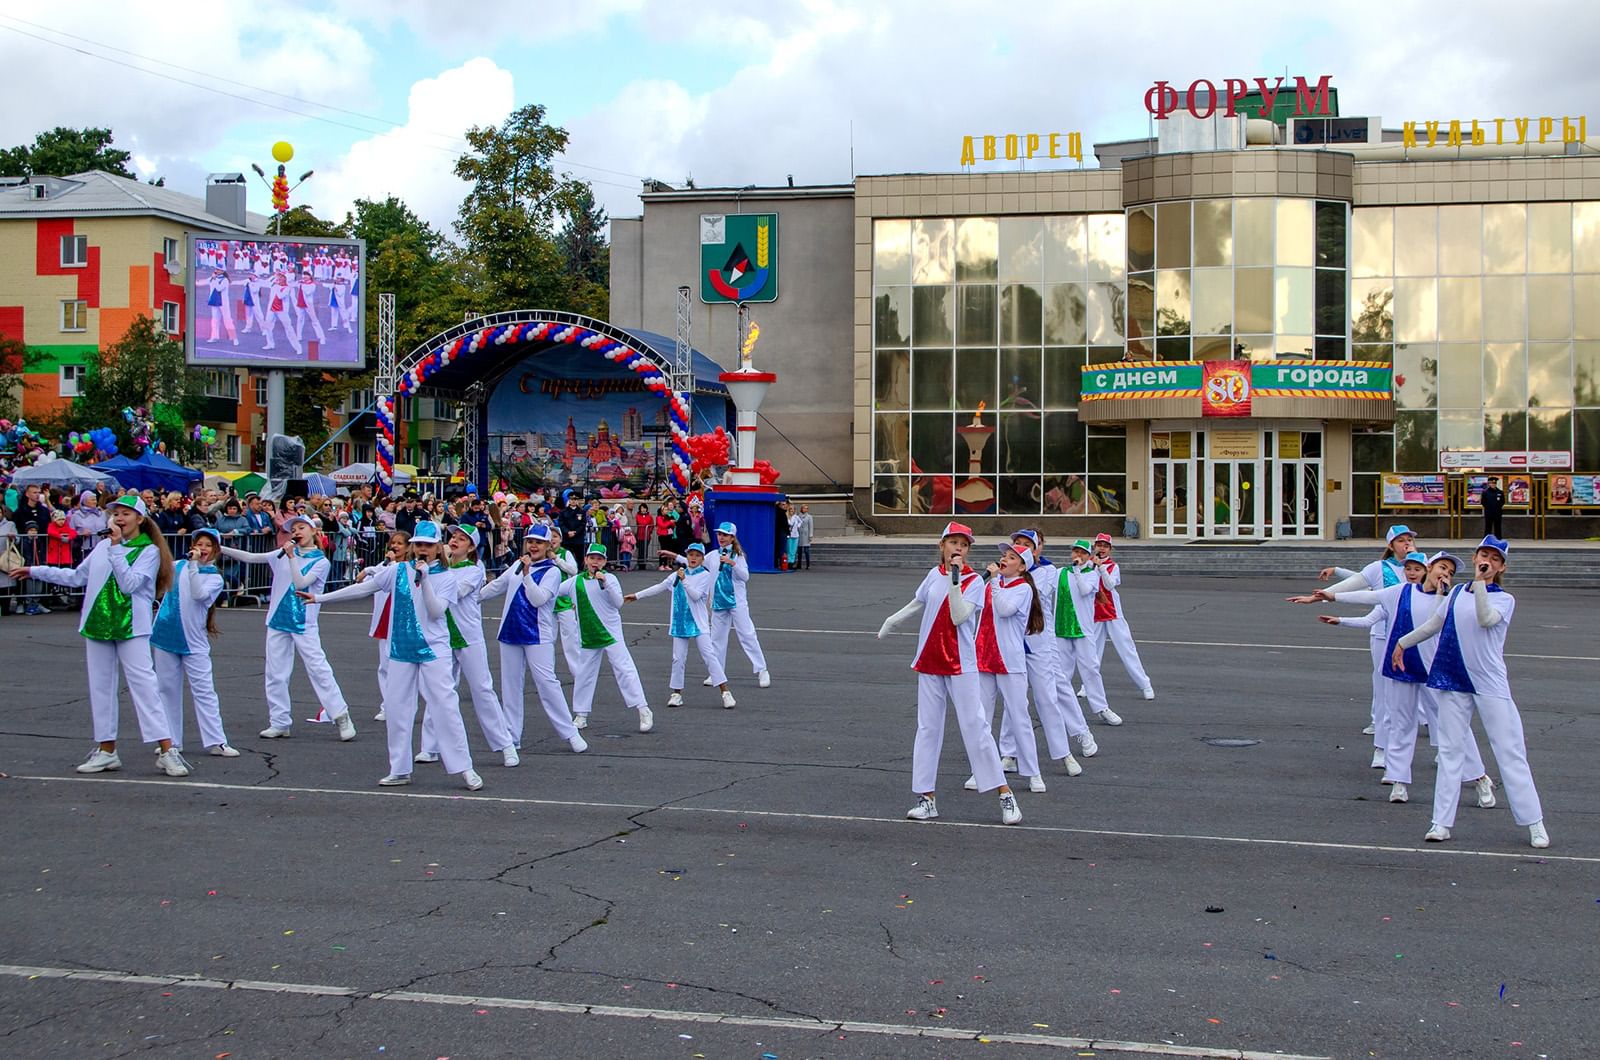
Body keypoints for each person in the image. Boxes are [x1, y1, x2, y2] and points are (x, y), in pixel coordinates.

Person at [10, 496, 190, 776]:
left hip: (131, 627)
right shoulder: (104, 546)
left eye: (126, 514)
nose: (118, 518)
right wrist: (35, 570)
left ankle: (167, 750)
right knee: (101, 688)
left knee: (145, 687)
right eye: (115, 513)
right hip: (97, 624)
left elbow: (129, 585)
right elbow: (76, 577)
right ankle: (107, 750)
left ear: (140, 519)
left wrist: (117, 548)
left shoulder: (149, 551)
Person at [1308, 551, 1497, 810]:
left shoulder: (1452, 597)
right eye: (1442, 567)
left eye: (1450, 572)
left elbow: (1437, 621)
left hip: (1435, 672)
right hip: (1401, 667)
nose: (1445, 574)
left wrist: (1443, 593)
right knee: (1401, 724)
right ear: (1429, 568)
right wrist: (1332, 596)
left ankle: (1479, 778)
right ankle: (1398, 781)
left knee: (1455, 726)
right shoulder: (1400, 592)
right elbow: (1370, 596)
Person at [1393, 536, 1549, 848]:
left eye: (1494, 558)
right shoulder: (1455, 595)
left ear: (1501, 566)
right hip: (1452, 680)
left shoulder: (1504, 599)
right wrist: (1402, 643)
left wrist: (1479, 582)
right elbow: (1433, 625)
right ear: (1476, 555)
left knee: (1510, 751)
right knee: (1451, 752)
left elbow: (1485, 618)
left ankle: (1534, 823)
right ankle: (1440, 823)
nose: (1487, 560)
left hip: (1489, 684)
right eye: (1483, 554)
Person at [305, 522, 484, 792]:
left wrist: (425, 581)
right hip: (401, 648)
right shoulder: (398, 570)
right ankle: (399, 768)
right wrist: (320, 598)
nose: (422, 549)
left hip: (434, 649)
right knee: (397, 708)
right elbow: (364, 588)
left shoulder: (447, 577)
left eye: (428, 544)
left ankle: (464, 766)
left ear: (437, 547)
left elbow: (436, 612)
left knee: (445, 705)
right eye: (418, 544)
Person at [876, 522, 1020, 825]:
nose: (959, 548)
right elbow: (919, 601)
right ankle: (926, 798)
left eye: (964, 544)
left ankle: (1004, 794)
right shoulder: (932, 575)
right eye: (953, 542)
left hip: (961, 664)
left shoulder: (974, 582)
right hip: (929, 661)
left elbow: (958, 615)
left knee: (975, 727)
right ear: (942, 546)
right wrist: (892, 620)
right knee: (927, 729)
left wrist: (956, 579)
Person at [220, 514, 357, 741]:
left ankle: (341, 716)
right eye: (294, 529)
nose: (297, 532)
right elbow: (252, 557)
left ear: (314, 531)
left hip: (304, 623)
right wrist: (221, 548)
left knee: (318, 668)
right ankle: (280, 721)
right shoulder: (281, 554)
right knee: (275, 673)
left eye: (302, 527)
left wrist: (291, 557)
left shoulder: (321, 562)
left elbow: (301, 582)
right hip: (277, 620)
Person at [413, 525, 519, 768]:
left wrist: (437, 570)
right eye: (453, 537)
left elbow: (456, 592)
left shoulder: (474, 569)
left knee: (482, 689)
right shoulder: (436, 568)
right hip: (442, 637)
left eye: (462, 539)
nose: (455, 541)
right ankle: (430, 746)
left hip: (468, 636)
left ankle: (505, 745)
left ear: (471, 547)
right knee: (438, 691)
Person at [1312, 524, 1419, 761]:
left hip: (1416, 637)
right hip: (1383, 634)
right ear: (1391, 545)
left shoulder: (1424, 566)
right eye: (1402, 540)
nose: (1407, 544)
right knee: (1384, 692)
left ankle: (1442, 748)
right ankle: (1381, 748)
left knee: (1428, 692)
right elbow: (1357, 585)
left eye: (1410, 540)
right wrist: (1318, 597)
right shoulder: (1379, 568)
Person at [478, 525, 589, 753]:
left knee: (548, 684)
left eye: (539, 542)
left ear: (549, 546)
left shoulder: (553, 571)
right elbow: (497, 586)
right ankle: (512, 735)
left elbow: (538, 599)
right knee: (510, 686)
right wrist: (468, 598)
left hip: (538, 635)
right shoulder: (518, 565)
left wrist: (527, 576)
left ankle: (570, 732)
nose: (533, 546)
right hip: (510, 632)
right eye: (530, 541)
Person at [1002, 529, 1090, 773]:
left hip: (1040, 641)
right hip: (1012, 643)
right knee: (1014, 699)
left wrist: (1012, 576)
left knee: (1049, 695)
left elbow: (1029, 594)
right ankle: (1008, 752)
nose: (1019, 548)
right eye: (1016, 544)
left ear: (1036, 549)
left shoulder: (1046, 572)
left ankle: (1066, 750)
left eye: (1026, 545)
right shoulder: (1003, 575)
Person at [966, 542, 1049, 794]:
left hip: (1009, 661)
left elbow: (1004, 610)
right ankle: (980, 772)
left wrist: (992, 582)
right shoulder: (993, 584)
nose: (1004, 559)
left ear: (1022, 567)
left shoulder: (1022, 588)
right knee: (981, 718)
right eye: (1004, 555)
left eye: (1011, 557)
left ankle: (1033, 772)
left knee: (1019, 716)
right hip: (983, 656)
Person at [150, 528, 237, 757]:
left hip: (194, 641)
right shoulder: (176, 565)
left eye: (208, 545)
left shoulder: (215, 578)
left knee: (204, 690)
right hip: (165, 635)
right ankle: (172, 742)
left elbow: (199, 595)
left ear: (215, 550)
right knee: (166, 689)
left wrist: (192, 567)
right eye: (200, 543)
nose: (203, 548)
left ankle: (216, 741)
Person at [625, 542, 736, 709]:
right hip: (680, 623)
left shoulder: (705, 576)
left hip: (698, 623)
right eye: (691, 555)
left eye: (697, 556)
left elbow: (696, 596)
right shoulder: (677, 574)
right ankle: (676, 693)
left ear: (702, 558)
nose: (693, 558)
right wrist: (637, 595)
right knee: (678, 659)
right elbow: (659, 587)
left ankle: (725, 692)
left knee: (709, 656)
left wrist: (684, 581)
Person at [557, 543, 653, 732]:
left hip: (610, 634)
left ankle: (643, 709)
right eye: (592, 558)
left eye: (599, 559)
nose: (595, 562)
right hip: (588, 634)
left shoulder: (610, 579)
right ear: (585, 560)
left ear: (605, 562)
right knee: (584, 674)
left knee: (624, 669)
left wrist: (605, 583)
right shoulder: (574, 581)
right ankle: (581, 714)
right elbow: (552, 592)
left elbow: (618, 603)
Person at [667, 522, 771, 689]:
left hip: (736, 602)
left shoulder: (738, 555)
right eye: (719, 534)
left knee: (747, 634)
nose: (721, 537)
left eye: (725, 535)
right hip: (718, 602)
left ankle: (761, 669)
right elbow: (695, 562)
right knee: (716, 639)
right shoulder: (713, 555)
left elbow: (745, 577)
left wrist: (732, 563)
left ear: (732, 537)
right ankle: (717, 672)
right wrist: (674, 556)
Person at [1057, 540, 1119, 727]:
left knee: (1091, 668)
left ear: (1088, 555)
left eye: (1083, 553)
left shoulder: (1091, 575)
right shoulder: (1061, 573)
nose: (1079, 555)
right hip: (1061, 629)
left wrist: (1077, 571)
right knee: (1062, 672)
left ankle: (1101, 707)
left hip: (1083, 630)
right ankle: (1060, 709)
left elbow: (1084, 591)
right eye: (1076, 551)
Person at [1089, 534, 1155, 701]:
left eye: (1105, 546)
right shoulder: (1088, 564)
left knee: (1126, 648)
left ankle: (1144, 684)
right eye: (1099, 545)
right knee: (1092, 652)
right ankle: (1088, 685)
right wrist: (1092, 566)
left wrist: (1101, 568)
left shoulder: (1113, 566)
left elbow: (1110, 585)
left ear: (1109, 549)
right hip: (1094, 612)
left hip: (1112, 612)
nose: (1101, 548)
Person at [359, 530, 409, 722]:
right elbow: (362, 583)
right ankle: (387, 706)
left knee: (406, 668)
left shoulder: (410, 567)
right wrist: (372, 569)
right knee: (385, 665)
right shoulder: (383, 566)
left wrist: (373, 569)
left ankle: (405, 705)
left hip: (404, 621)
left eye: (399, 544)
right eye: (393, 543)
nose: (395, 547)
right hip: (385, 620)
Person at [795, 503, 814, 570]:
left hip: (806, 535)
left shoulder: (809, 517)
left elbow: (811, 526)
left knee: (806, 550)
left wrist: (810, 535)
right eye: (804, 508)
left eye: (807, 508)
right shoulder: (798, 516)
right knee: (799, 551)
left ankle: (808, 564)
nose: (805, 509)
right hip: (799, 534)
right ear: (801, 508)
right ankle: (799, 564)